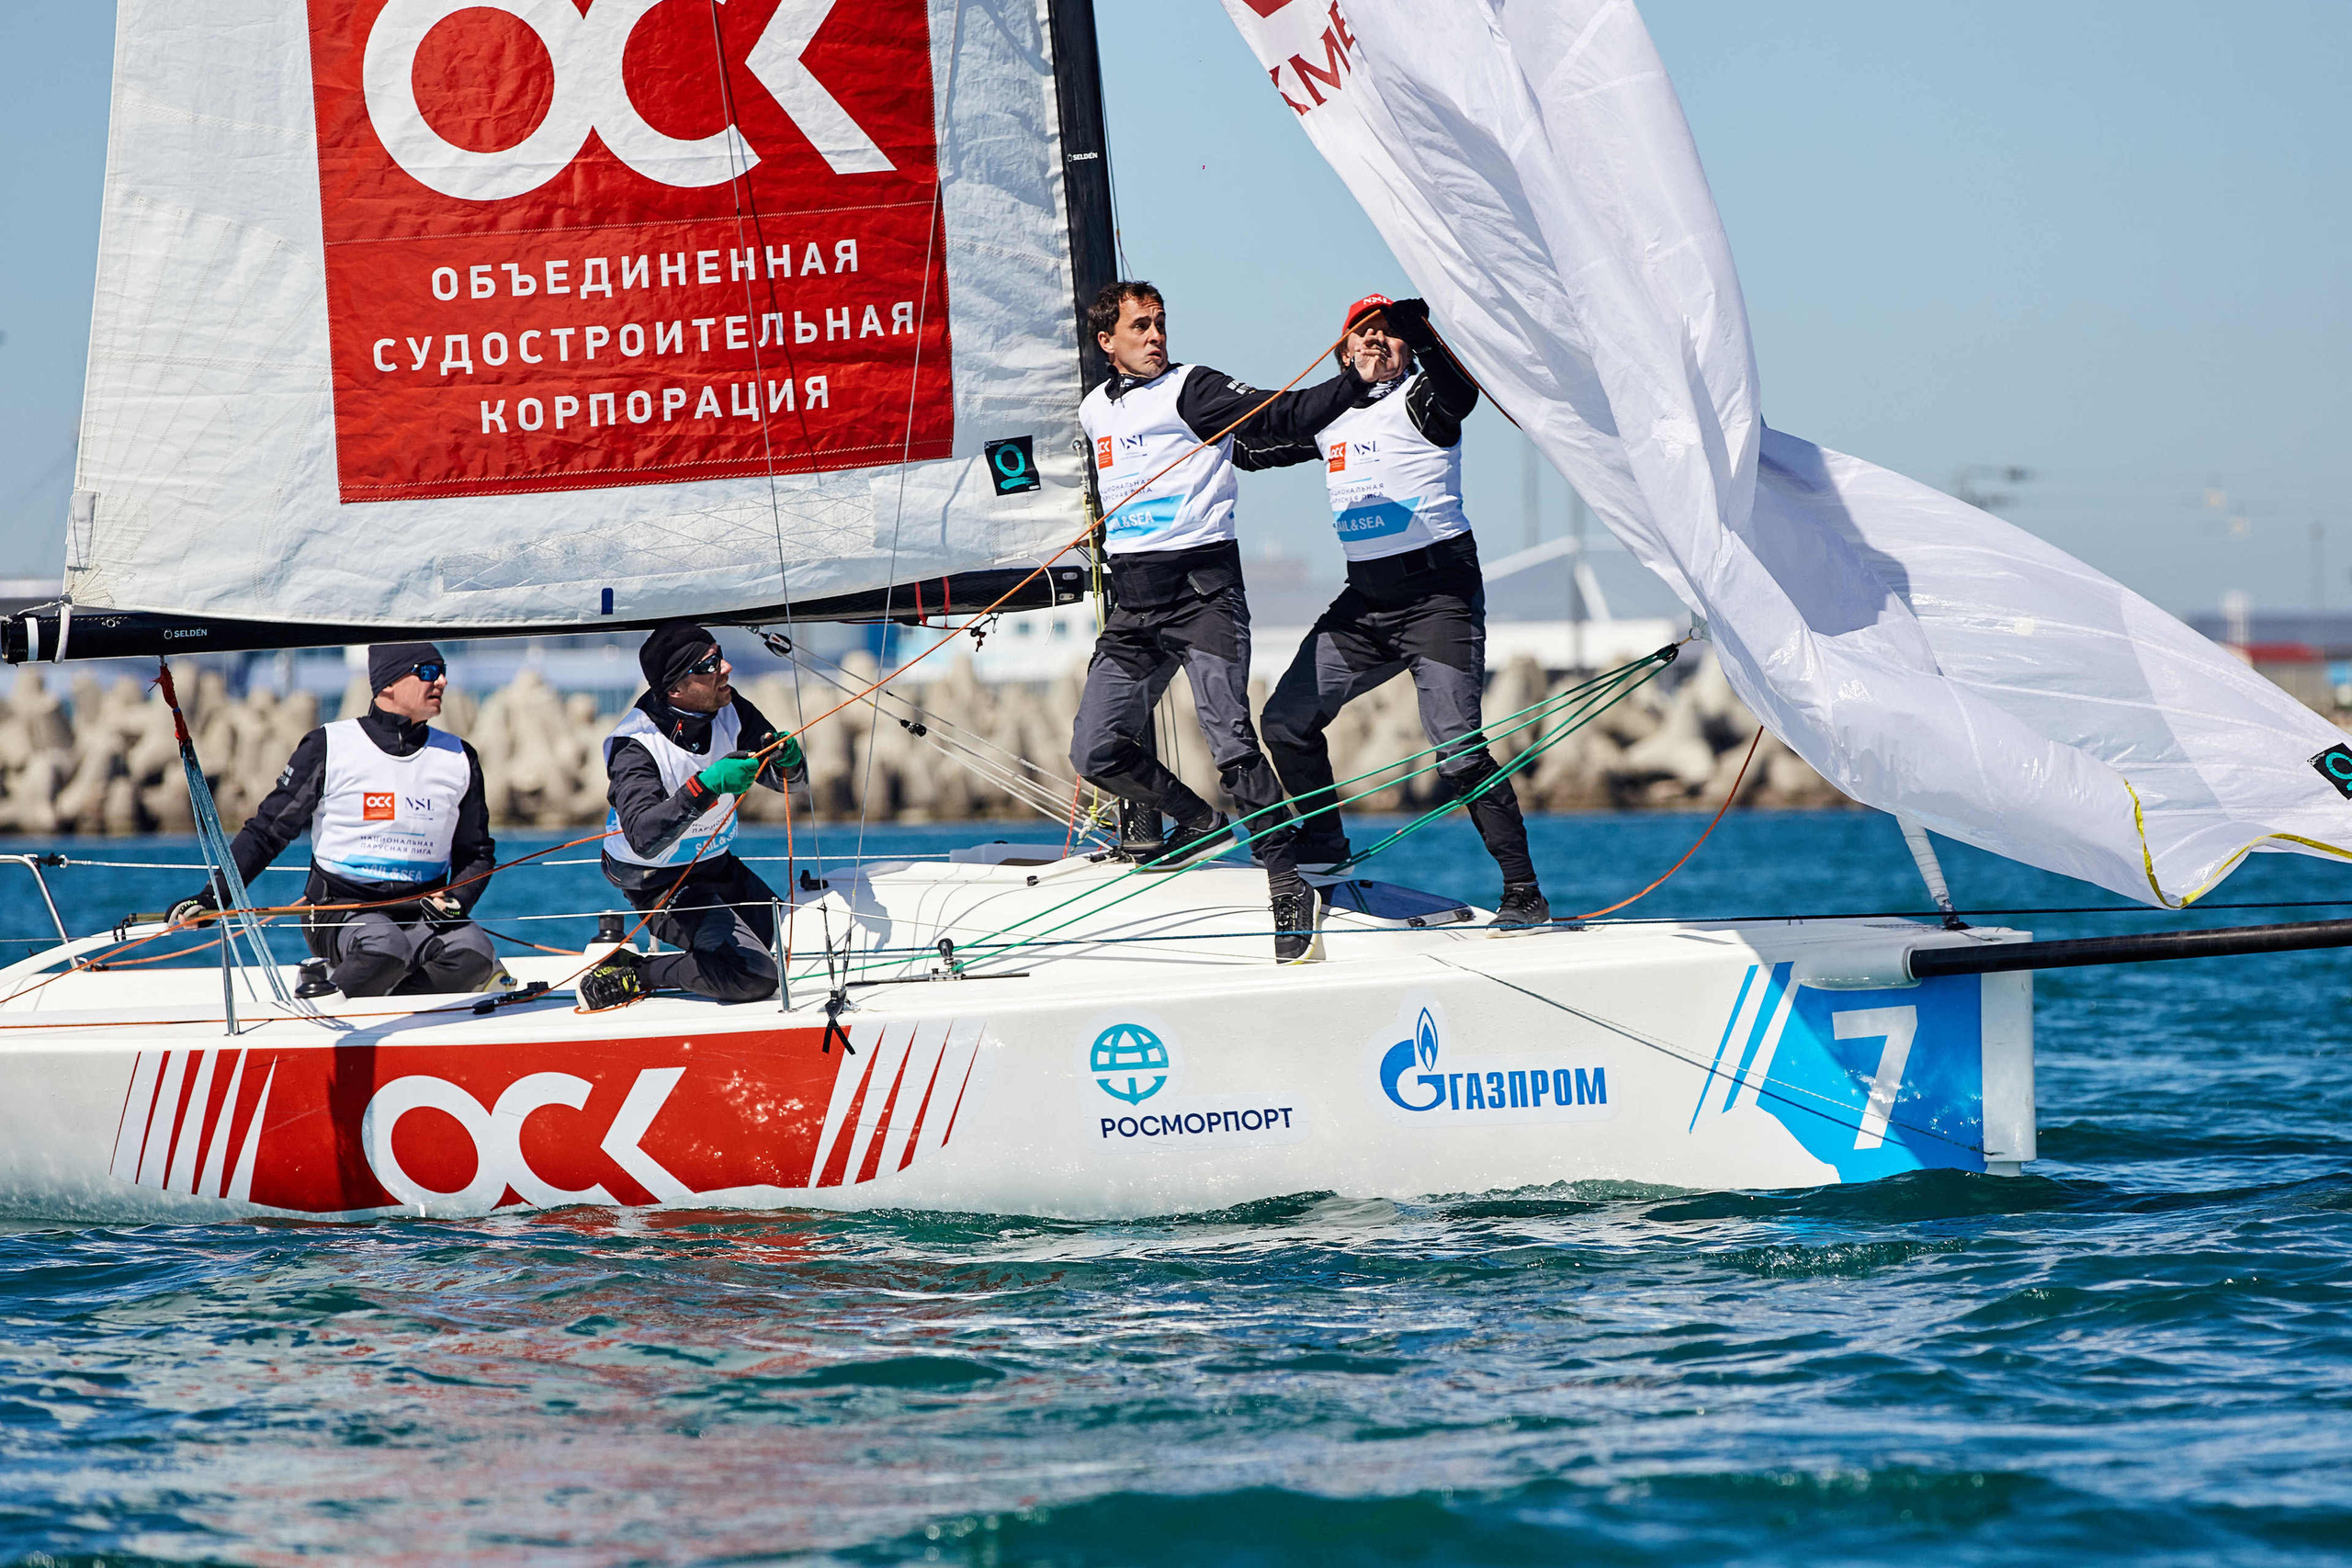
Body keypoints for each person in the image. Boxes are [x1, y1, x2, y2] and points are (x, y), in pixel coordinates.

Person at [1072, 278, 1375, 964]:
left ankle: (1286, 878)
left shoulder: (1193, 389)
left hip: (1204, 598)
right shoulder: (1095, 410)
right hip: (1136, 606)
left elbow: (1283, 417)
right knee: (1093, 748)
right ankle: (1199, 822)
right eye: (1140, 326)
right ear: (1106, 341)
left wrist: (1355, 384)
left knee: (1231, 740)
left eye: (1160, 323)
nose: (1155, 335)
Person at [1261, 295, 1551, 931]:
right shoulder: (1330, 414)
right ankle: (1325, 848)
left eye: (1388, 335)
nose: (1378, 343)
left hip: (1438, 601)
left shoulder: (1421, 398)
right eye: (1365, 334)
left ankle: (1524, 893)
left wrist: (1421, 333)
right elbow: (1254, 444)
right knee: (1284, 722)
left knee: (1457, 753)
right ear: (1344, 352)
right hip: (1365, 607)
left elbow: (1460, 392)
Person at [168, 641, 502, 996]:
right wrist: (211, 897)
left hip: (421, 911)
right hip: (337, 910)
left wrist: (459, 898)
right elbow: (266, 833)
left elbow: (476, 852)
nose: (442, 682)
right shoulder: (329, 746)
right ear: (388, 682)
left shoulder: (459, 757)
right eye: (428, 673)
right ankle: (331, 1006)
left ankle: (388, 1004)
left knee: (476, 956)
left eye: (443, 672)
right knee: (385, 949)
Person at [580, 622, 808, 1010]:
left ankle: (679, 963)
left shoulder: (731, 708)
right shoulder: (635, 746)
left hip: (714, 863)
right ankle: (637, 971)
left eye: (719, 656)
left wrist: (790, 765)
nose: (727, 668)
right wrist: (709, 785)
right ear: (675, 689)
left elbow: (789, 782)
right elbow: (644, 836)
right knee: (753, 976)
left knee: (790, 938)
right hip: (659, 880)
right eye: (710, 664)